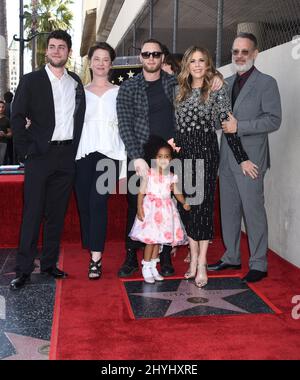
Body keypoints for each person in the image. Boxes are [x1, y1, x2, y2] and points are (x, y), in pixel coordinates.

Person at [117, 38, 223, 279]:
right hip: (141, 156)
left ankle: (164, 257)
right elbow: (125, 125)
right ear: (140, 58)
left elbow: (200, 77)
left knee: (169, 206)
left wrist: (216, 76)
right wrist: (137, 158)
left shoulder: (174, 83)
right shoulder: (128, 88)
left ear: (162, 58)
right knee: (138, 204)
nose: (151, 58)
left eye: (156, 54)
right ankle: (131, 256)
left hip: (172, 154)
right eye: (147, 54)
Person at [174, 46, 258, 288]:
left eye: (202, 61)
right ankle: (191, 262)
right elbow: (176, 127)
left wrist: (241, 157)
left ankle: (201, 263)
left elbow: (228, 125)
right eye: (193, 61)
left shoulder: (216, 90)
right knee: (187, 208)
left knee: (202, 209)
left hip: (206, 153)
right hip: (183, 155)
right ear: (187, 65)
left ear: (208, 64)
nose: (198, 65)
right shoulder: (178, 90)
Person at [10, 30, 86, 290]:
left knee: (56, 215)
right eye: (52, 46)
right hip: (39, 156)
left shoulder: (75, 82)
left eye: (61, 47)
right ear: (46, 51)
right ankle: (23, 270)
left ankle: (50, 264)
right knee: (32, 214)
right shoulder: (31, 81)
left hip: (67, 157)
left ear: (68, 51)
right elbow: (17, 116)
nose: (56, 51)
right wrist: (26, 151)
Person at [208, 33, 282, 283]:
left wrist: (240, 126)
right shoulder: (225, 83)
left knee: (253, 211)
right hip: (227, 157)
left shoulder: (266, 83)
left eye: (245, 51)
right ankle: (231, 256)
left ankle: (259, 263)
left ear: (255, 53)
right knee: (228, 210)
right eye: (235, 52)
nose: (239, 56)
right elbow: (220, 119)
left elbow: (273, 119)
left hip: (252, 159)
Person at [75, 42, 126, 280]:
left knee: (97, 202)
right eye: (97, 59)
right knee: (84, 204)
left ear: (111, 64)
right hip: (83, 153)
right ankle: (92, 242)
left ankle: (95, 258)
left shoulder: (120, 92)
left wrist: (126, 162)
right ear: (90, 62)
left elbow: (126, 127)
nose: (101, 63)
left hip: (111, 154)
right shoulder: (79, 92)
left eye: (106, 59)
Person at [129, 135, 190, 283]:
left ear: (171, 159)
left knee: (159, 242)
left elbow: (177, 192)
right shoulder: (149, 174)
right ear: (154, 158)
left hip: (165, 211)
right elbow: (141, 192)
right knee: (150, 240)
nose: (163, 159)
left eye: (167, 156)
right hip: (151, 211)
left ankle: (153, 267)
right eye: (160, 156)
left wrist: (184, 202)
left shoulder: (171, 176)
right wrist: (139, 208)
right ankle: (145, 266)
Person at [3, 92, 14, 164]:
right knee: (11, 150)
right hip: (12, 130)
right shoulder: (13, 106)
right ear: (12, 98)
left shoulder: (3, 106)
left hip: (3, 131)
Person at [0, 100, 12, 164]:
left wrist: (5, 135)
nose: (1, 109)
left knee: (2, 162)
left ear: (4, 108)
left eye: (2, 107)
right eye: (0, 107)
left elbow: (10, 134)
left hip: (3, 143)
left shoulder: (7, 120)